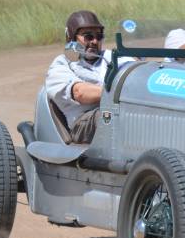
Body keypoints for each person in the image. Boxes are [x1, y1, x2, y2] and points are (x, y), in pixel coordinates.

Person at [44, 10, 128, 144]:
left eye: (99, 36)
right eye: (88, 36)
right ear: (71, 38)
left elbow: (135, 70)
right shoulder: (61, 64)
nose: (94, 41)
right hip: (83, 122)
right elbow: (80, 93)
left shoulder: (110, 57)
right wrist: (124, 93)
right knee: (110, 116)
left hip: (118, 110)